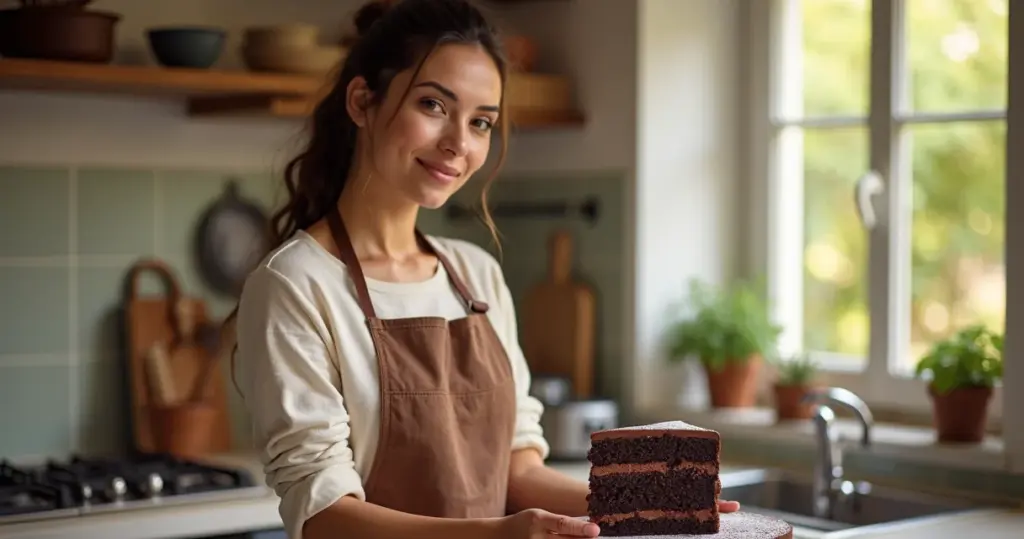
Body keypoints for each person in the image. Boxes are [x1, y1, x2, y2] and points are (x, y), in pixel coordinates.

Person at [230, 1, 740, 538]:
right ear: (362, 101)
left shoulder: (475, 275)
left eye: (480, 123)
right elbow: (325, 515)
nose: (459, 143)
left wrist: (654, 506)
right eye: (433, 105)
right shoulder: (295, 285)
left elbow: (517, 471)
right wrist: (497, 536)